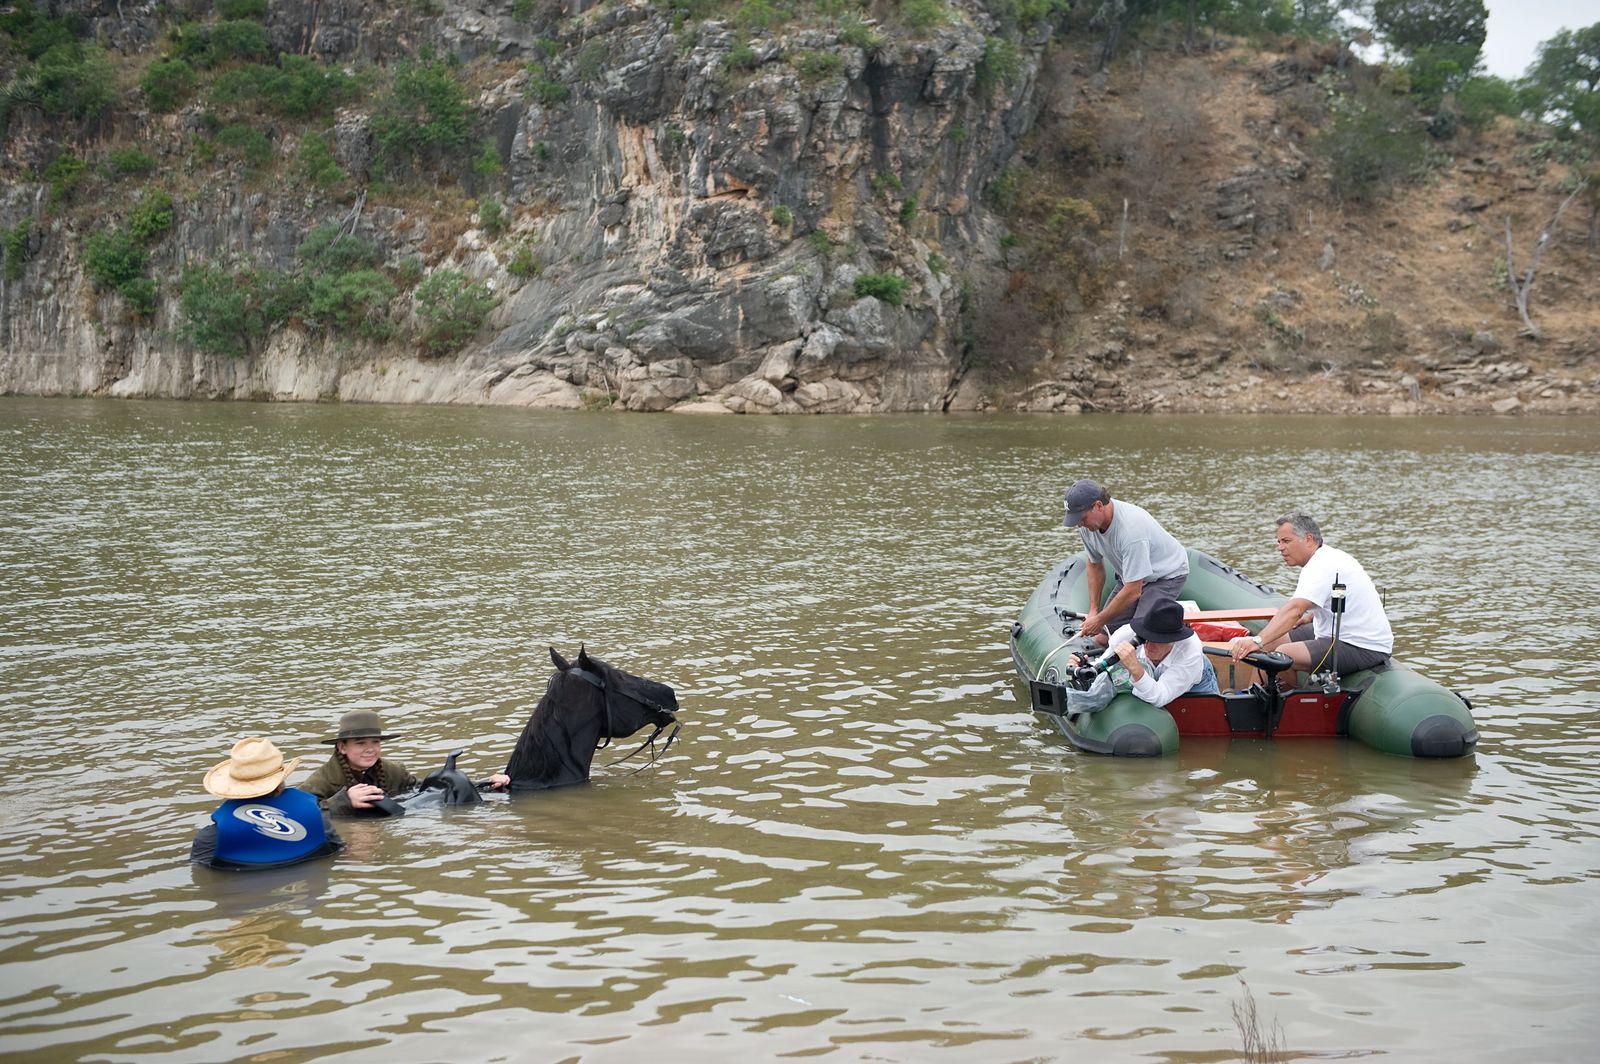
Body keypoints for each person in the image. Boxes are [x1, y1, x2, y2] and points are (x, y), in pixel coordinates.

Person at [1229, 511, 1393, 680]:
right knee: (1272, 641)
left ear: (1308, 539)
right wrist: (1311, 616)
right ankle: (1260, 693)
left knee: (1282, 653)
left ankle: (1271, 704)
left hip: (1363, 645)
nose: (1280, 547)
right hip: (1336, 633)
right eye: (1279, 542)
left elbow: (1295, 610)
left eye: (1286, 541)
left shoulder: (1322, 565)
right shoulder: (1326, 557)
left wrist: (1256, 641)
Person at [1062, 478, 1190, 646]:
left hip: (1165, 576)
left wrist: (1100, 620)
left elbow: (1133, 591)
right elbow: (1094, 564)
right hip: (1130, 577)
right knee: (1101, 638)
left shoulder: (1131, 531)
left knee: (1139, 636)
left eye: (1082, 518)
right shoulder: (1088, 526)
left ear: (1099, 506)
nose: (1079, 525)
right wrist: (1094, 611)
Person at [303, 710, 509, 814]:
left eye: (375, 742)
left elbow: (423, 791)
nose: (370, 749)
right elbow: (298, 813)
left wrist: (484, 783)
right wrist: (344, 801)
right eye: (360, 743)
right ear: (342, 747)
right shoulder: (322, 780)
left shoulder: (393, 770)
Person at [191, 737, 342, 870]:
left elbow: (202, 871)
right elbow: (335, 849)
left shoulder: (210, 837)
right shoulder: (316, 815)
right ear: (281, 781)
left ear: (231, 787)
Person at [1071, 599, 1219, 707]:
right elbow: (1104, 665)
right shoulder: (1126, 634)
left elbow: (1161, 697)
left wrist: (1135, 669)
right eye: (1145, 637)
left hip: (1195, 687)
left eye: (1157, 639)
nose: (1149, 644)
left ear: (1173, 640)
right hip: (1149, 674)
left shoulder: (1190, 652)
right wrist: (1083, 666)